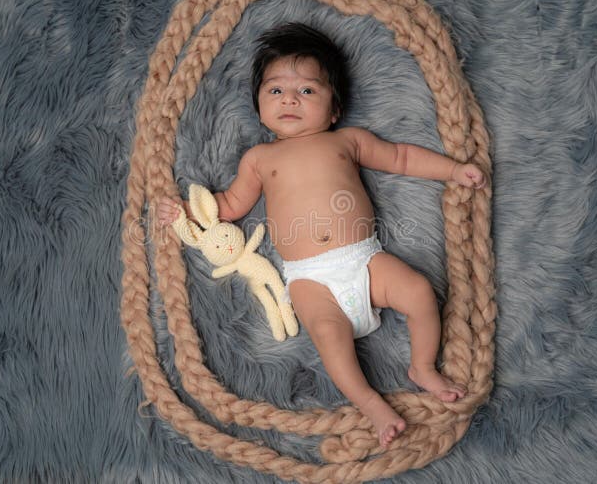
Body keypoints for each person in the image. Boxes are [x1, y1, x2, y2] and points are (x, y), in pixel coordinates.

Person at [157, 22, 486, 447]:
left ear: (334, 109)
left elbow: (401, 158)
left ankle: (423, 366)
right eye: (275, 90)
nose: (290, 98)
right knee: (330, 338)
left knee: (420, 291)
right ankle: (369, 402)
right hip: (310, 277)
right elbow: (229, 206)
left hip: (364, 260)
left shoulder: (346, 141)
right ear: (258, 104)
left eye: (308, 91)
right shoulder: (259, 158)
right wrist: (185, 211)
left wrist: (455, 170)